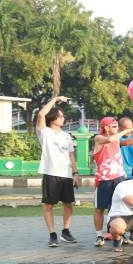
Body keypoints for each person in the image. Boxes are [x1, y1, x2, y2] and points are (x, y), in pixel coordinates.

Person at [36, 95, 79, 247]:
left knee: (68, 204)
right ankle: (52, 235)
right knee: (49, 205)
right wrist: (55, 99)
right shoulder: (44, 132)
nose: (62, 118)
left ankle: (65, 232)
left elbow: (71, 155)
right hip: (51, 173)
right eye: (60, 116)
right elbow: (41, 114)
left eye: (63, 116)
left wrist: (75, 173)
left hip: (66, 174)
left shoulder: (66, 136)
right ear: (52, 118)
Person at [92, 117, 133, 247]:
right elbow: (110, 139)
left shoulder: (117, 139)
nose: (117, 128)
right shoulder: (99, 138)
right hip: (104, 179)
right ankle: (99, 235)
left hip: (119, 178)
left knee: (118, 207)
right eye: (114, 126)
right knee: (100, 208)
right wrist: (125, 130)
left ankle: (118, 233)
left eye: (117, 126)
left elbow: (126, 143)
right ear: (106, 128)